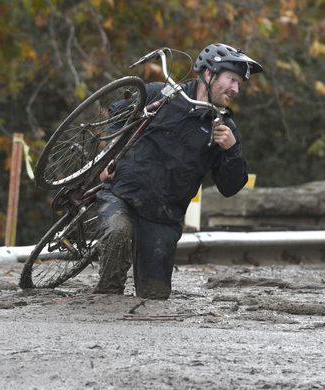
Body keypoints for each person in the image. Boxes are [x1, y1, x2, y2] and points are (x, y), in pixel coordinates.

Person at [93, 43, 263, 299]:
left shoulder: (224, 128)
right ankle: (106, 298)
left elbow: (230, 187)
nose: (236, 89)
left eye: (239, 83)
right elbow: (115, 115)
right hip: (122, 195)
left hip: (163, 218)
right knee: (118, 232)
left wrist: (232, 150)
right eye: (232, 80)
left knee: (154, 297)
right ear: (209, 74)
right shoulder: (161, 95)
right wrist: (109, 155)